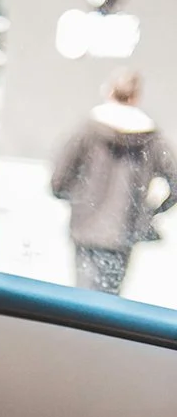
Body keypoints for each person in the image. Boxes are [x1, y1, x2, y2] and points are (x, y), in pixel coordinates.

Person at [51, 70, 177, 295]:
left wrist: (77, 199)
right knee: (109, 303)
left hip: (86, 228)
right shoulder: (152, 138)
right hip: (123, 232)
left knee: (82, 301)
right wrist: (151, 211)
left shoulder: (88, 130)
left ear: (109, 92)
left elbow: (59, 178)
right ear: (136, 97)